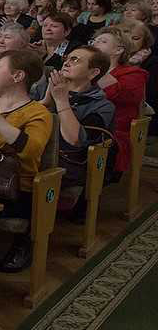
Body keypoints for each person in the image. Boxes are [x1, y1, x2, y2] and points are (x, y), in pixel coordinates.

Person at [0, 50, 53, 272]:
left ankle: (23, 241)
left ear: (18, 76)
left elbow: (30, 151)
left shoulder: (38, 113)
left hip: (13, 190)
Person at [43, 46, 115, 218]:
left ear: (93, 73)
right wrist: (46, 101)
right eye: (67, 58)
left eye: (76, 60)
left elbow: (75, 140)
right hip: (38, 152)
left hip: (70, 163)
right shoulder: (47, 86)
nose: (67, 62)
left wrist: (61, 101)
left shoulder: (103, 106)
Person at [91, 26, 147, 180]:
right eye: (94, 41)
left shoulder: (134, 74)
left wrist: (98, 69)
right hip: (84, 126)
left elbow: (119, 95)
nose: (95, 44)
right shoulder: (85, 70)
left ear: (118, 50)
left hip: (112, 133)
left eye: (102, 41)